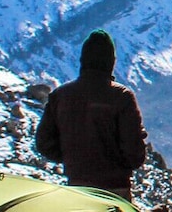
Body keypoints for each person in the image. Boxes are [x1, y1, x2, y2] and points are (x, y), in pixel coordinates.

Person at [37, 29, 149, 201]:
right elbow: (134, 153)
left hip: (77, 190)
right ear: (111, 62)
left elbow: (44, 143)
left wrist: (72, 159)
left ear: (83, 60)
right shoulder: (121, 97)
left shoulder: (60, 96)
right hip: (115, 191)